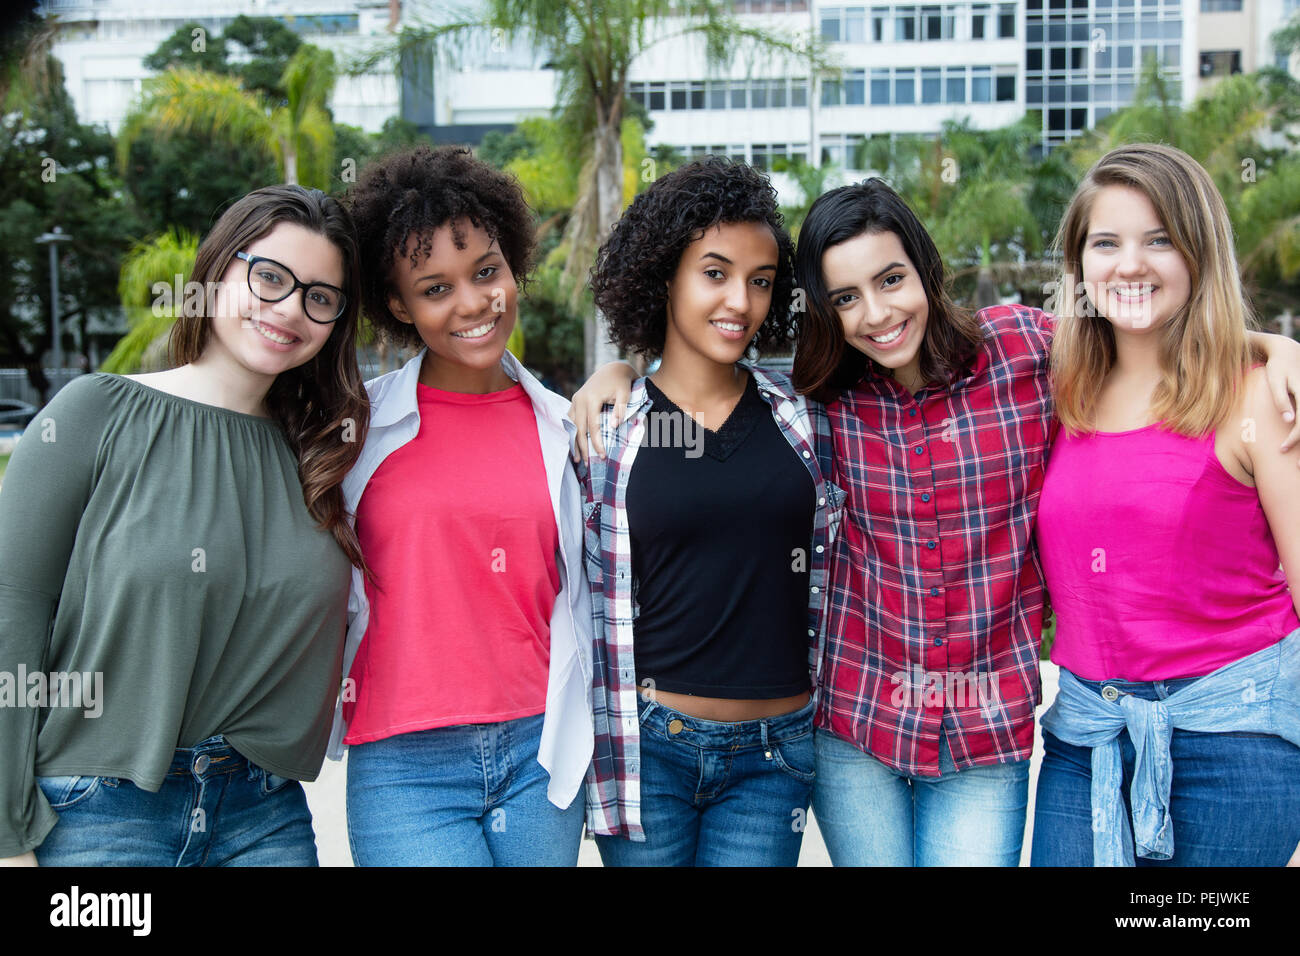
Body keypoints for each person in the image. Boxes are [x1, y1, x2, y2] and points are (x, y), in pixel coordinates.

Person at [572, 174, 1300, 867]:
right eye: (846, 297)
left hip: (985, 731)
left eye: (891, 280)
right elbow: (703, 384)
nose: (879, 314)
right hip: (857, 723)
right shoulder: (822, 400)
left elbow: (1136, 341)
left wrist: (1267, 348)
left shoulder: (1026, 350)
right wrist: (621, 376)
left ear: (924, 268)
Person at [0, 184, 369, 866]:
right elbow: (11, 610)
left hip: (264, 816)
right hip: (99, 813)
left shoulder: (325, 452)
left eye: (320, 296)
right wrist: (6, 835)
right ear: (218, 268)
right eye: (270, 277)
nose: (290, 309)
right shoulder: (94, 413)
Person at [1030, 143, 1300, 866]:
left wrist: (1278, 350)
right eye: (1106, 243)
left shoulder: (1259, 397)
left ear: (1199, 252)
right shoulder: (1057, 393)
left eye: (1160, 240)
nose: (1130, 264)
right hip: (1084, 741)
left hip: (1234, 747)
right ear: (1079, 264)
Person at [578, 158, 843, 866]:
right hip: (649, 748)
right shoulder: (612, 426)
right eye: (715, 273)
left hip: (774, 757)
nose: (740, 302)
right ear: (665, 276)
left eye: (760, 281)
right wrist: (618, 371)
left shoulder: (802, 419)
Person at [333, 145, 594, 866]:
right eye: (435, 288)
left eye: (486, 272)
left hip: (539, 751)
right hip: (403, 762)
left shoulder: (563, 425)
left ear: (512, 267)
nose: (474, 303)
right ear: (398, 304)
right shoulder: (358, 431)